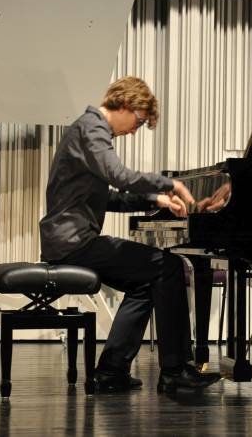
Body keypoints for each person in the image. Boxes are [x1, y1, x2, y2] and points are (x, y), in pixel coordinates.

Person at [39, 76, 221, 393]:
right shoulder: (92, 128)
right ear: (125, 104)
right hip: (73, 242)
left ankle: (112, 372)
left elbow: (109, 198)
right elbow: (119, 176)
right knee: (168, 266)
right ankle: (175, 370)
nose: (135, 131)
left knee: (146, 282)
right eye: (138, 121)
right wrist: (169, 184)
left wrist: (155, 200)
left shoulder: (86, 130)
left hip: (69, 240)